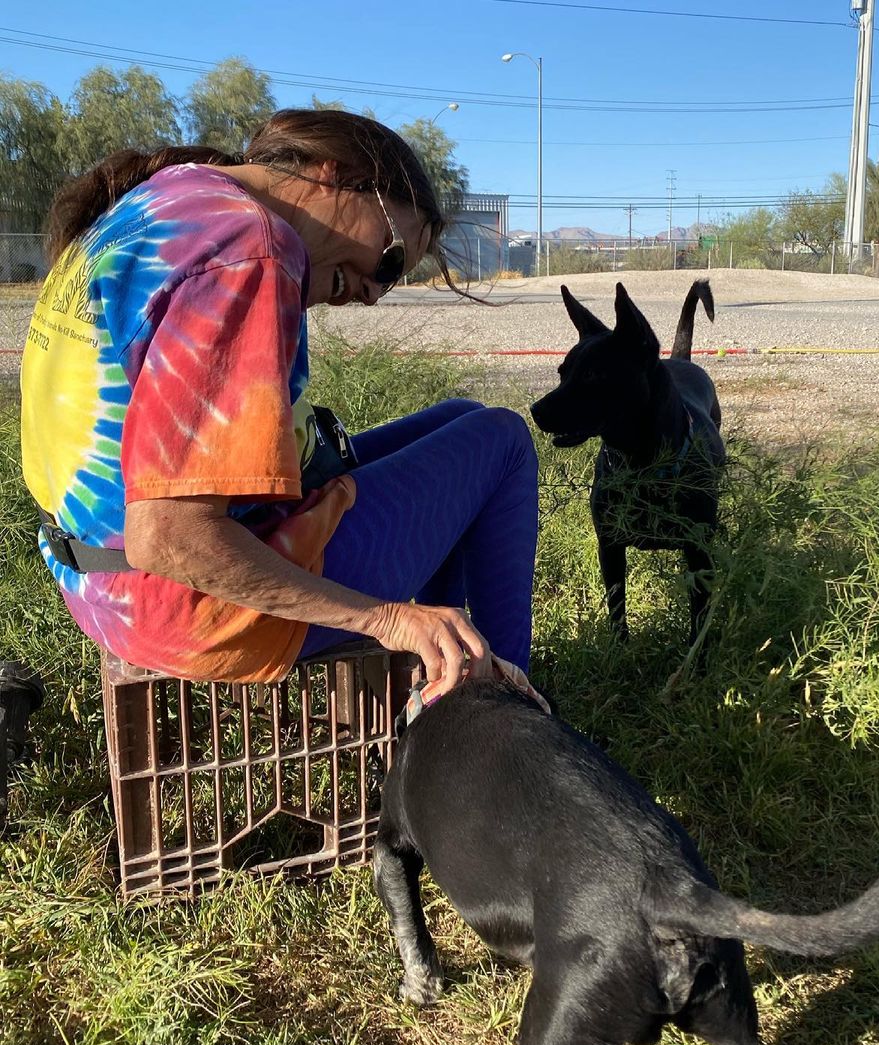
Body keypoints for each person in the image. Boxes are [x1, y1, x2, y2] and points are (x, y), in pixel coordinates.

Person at [20, 109, 539, 698]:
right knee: (504, 441)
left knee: (463, 421)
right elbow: (168, 537)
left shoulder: (172, 197)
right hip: (184, 607)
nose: (372, 294)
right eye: (390, 261)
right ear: (335, 173)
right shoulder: (251, 248)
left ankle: (457, 676)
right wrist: (387, 618)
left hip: (95, 583)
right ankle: (508, 710)